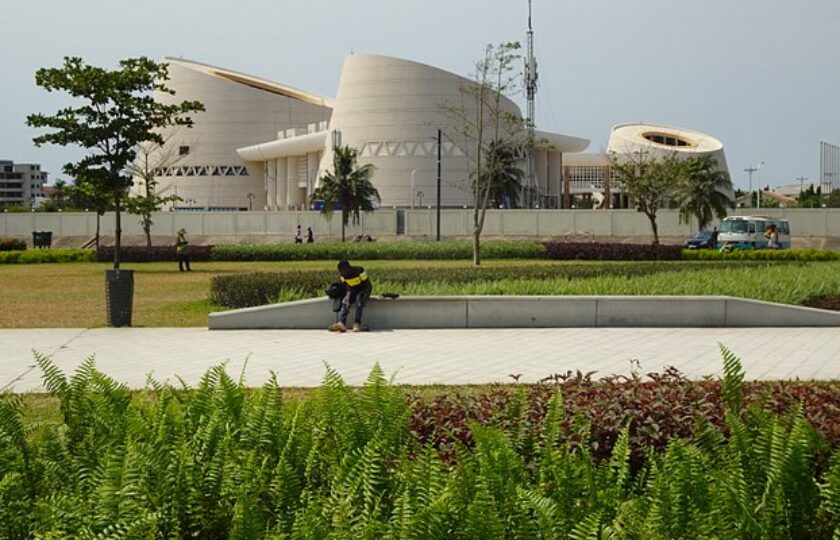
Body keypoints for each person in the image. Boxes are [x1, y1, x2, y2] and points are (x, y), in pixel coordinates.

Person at [329, 259, 372, 332]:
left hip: (362, 290)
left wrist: (366, 297)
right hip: (352, 291)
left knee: (359, 302)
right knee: (345, 302)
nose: (341, 272)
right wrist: (348, 298)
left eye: (342, 270)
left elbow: (368, 285)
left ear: (348, 268)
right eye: (340, 271)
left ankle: (357, 324)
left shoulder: (359, 271)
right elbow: (347, 287)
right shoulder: (342, 276)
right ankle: (342, 323)